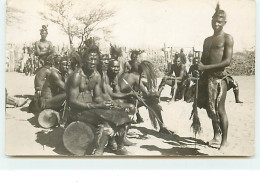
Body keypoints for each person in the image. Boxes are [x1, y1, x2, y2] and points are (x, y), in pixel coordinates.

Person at [66, 48, 132, 155]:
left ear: (98, 61)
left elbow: (97, 97)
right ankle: (99, 150)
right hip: (77, 111)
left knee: (122, 113)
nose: (92, 62)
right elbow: (72, 101)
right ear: (84, 60)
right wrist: (94, 106)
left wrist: (112, 104)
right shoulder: (77, 76)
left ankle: (119, 146)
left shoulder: (96, 75)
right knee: (106, 121)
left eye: (95, 59)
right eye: (90, 59)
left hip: (91, 108)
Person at [197, 3, 234, 150]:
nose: (216, 23)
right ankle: (216, 136)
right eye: (214, 21)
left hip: (220, 79)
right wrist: (199, 68)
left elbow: (227, 61)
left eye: (220, 21)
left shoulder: (227, 38)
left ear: (225, 22)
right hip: (207, 78)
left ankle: (224, 141)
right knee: (210, 108)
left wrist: (206, 67)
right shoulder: (207, 40)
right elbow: (205, 60)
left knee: (220, 109)